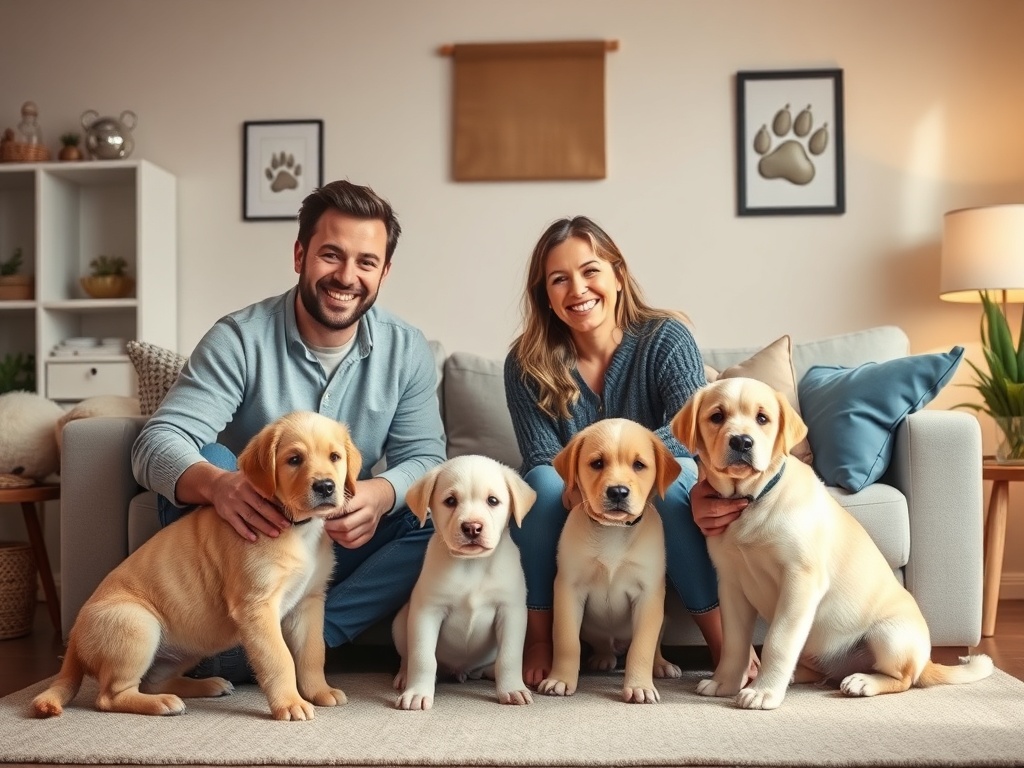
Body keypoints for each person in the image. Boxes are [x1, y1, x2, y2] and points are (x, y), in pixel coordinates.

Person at [131, 179, 446, 680]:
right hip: (247, 537)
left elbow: (428, 459)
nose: (346, 276)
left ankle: (288, 642)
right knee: (213, 456)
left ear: (384, 272)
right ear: (300, 255)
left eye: (366, 262)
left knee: (439, 514)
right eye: (331, 255)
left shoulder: (406, 349)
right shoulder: (239, 338)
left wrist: (380, 494)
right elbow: (156, 443)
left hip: (333, 534)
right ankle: (242, 632)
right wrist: (219, 485)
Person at [503, 215, 755, 688]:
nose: (578, 289)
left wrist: (635, 471)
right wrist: (589, 483)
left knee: (673, 483)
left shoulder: (665, 338)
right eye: (559, 279)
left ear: (618, 275)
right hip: (572, 489)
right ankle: (539, 639)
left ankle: (723, 639)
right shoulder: (525, 362)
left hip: (657, 483)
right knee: (539, 486)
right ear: (545, 295)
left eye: (590, 271)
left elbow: (690, 432)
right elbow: (541, 455)